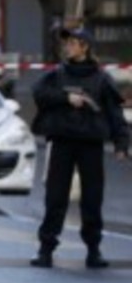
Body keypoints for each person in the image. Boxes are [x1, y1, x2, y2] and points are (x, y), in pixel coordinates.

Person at [29, 26, 129, 269]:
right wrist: (66, 98)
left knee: (92, 199)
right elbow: (38, 92)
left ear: (85, 47)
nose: (67, 47)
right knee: (55, 198)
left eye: (73, 43)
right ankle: (46, 249)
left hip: (90, 144)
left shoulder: (102, 78)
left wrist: (121, 143)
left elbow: (115, 113)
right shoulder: (57, 74)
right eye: (67, 43)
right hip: (62, 142)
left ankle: (93, 250)